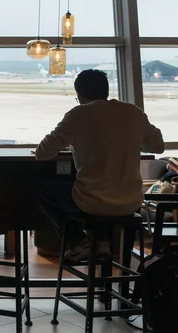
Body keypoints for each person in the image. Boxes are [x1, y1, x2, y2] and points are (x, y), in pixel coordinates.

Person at [34, 69, 164, 263]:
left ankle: (80, 241)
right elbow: (158, 147)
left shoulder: (78, 114)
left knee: (43, 190)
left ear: (79, 94)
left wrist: (73, 141)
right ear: (106, 91)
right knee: (91, 188)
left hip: (92, 202)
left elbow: (42, 153)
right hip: (131, 202)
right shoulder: (133, 112)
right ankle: (100, 242)